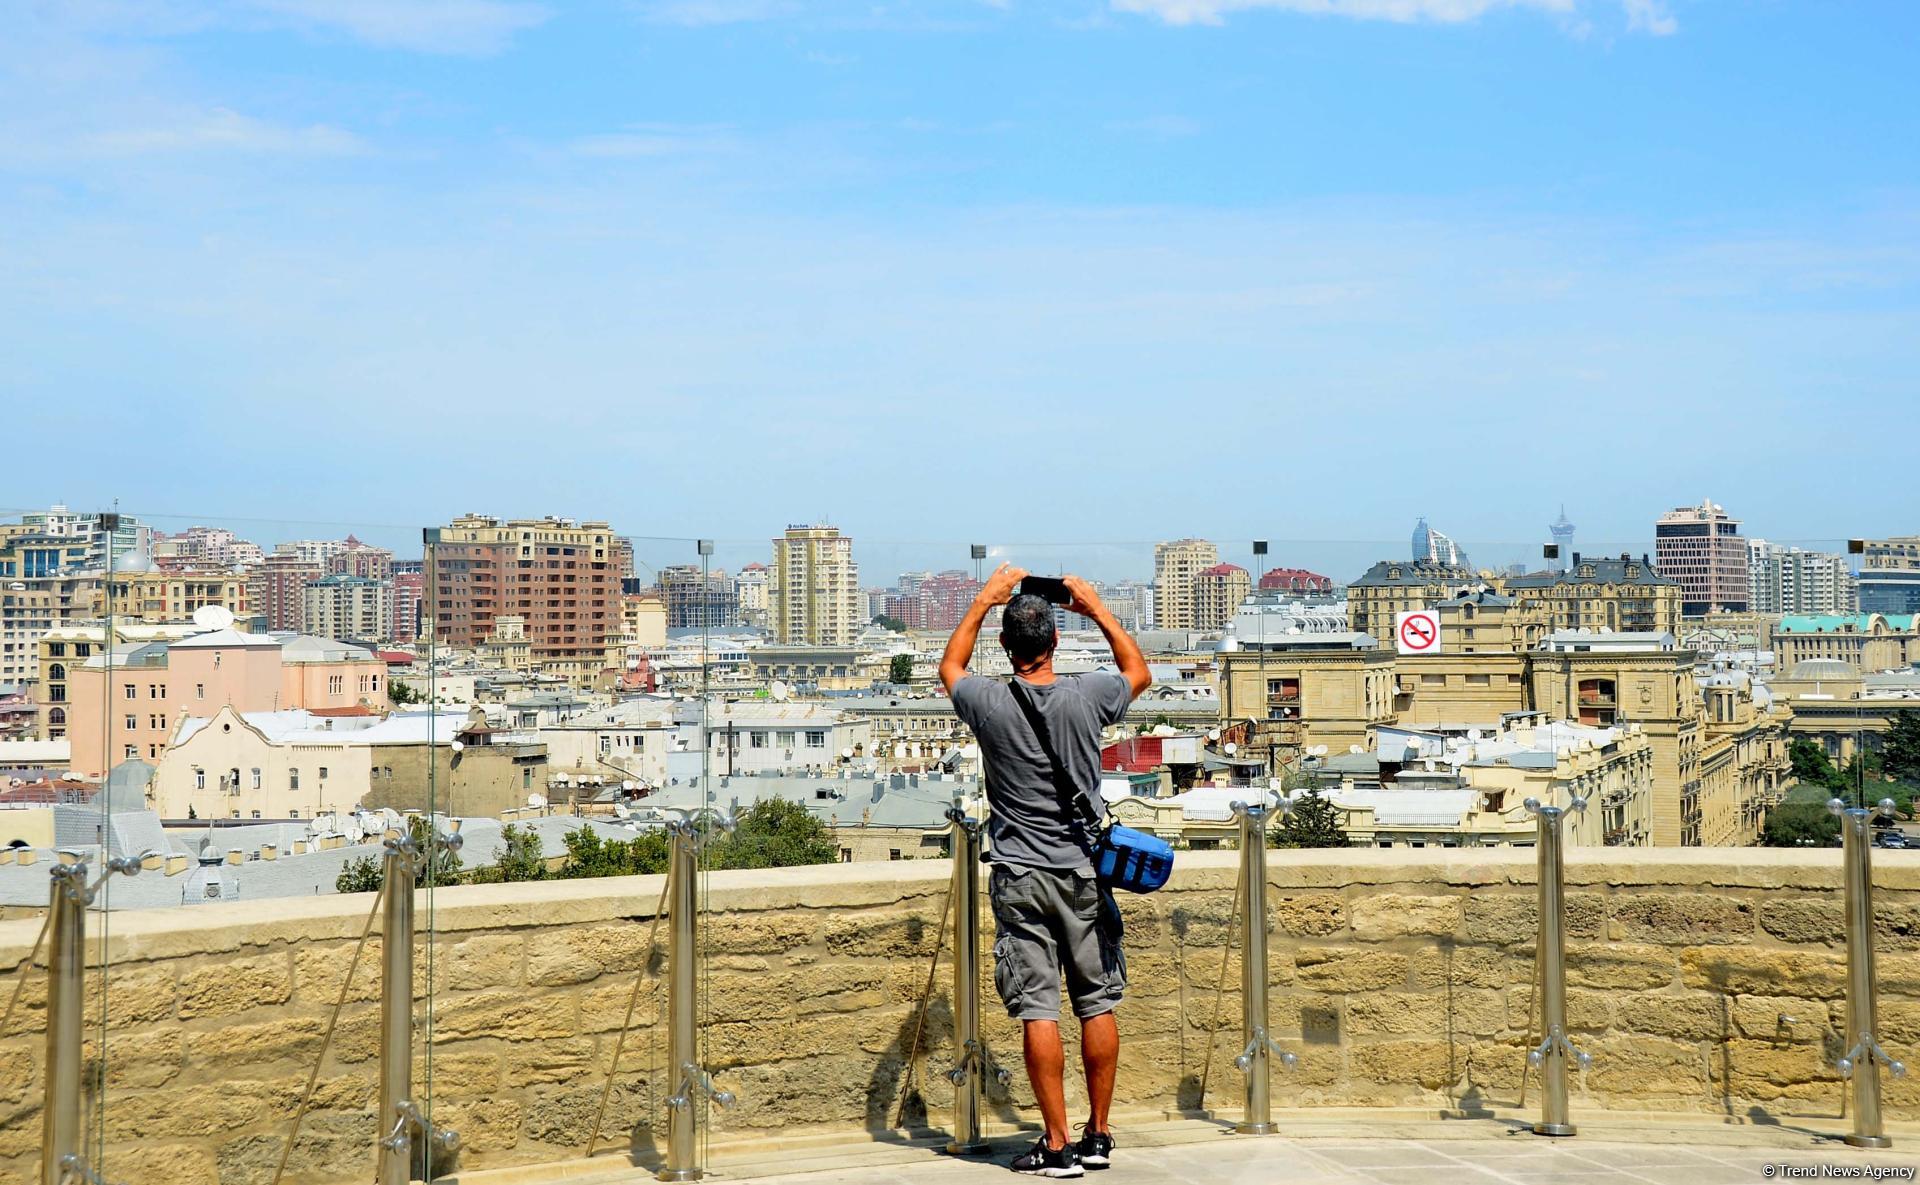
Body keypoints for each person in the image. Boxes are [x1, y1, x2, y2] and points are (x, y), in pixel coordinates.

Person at [940, 565, 1151, 1177]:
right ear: (1054, 642)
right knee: (1096, 1001)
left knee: (1039, 1008)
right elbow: (1138, 672)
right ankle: (1099, 1133)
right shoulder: (1088, 696)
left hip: (1019, 872)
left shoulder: (989, 701)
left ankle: (1056, 1144)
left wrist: (983, 599)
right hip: (1083, 872)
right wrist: (1095, 606)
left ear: (1006, 647)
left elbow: (950, 668)